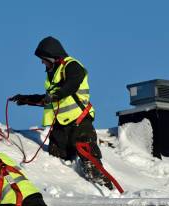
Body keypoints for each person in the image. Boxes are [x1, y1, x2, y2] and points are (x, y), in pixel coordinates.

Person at [11, 36, 114, 189]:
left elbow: (70, 86)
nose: (42, 63)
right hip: (60, 129)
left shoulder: (73, 67)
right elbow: (50, 100)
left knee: (91, 165)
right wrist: (27, 99)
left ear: (52, 57)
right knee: (56, 165)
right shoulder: (53, 74)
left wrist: (55, 96)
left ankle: (108, 195)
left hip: (79, 124)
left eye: (43, 59)